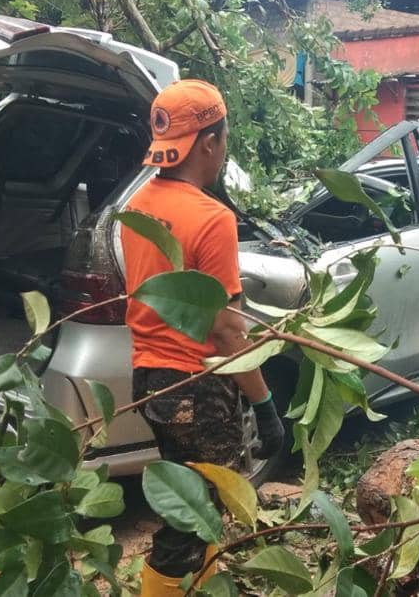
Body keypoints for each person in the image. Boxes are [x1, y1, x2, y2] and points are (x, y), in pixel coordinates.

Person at [121, 80, 285, 597]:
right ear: (210, 142)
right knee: (194, 517)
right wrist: (265, 405)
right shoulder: (213, 219)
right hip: (196, 387)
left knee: (194, 504)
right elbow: (227, 332)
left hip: (150, 380)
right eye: (224, 137)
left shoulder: (138, 205)